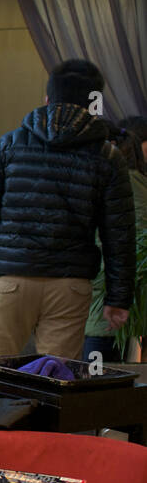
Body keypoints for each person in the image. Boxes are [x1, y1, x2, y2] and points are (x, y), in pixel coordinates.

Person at [0, 59, 136, 360]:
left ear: (47, 99)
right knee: (55, 380)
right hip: (70, 286)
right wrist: (118, 298)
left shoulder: (9, 145)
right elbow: (120, 235)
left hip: (12, 279)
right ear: (94, 103)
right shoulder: (108, 157)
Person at [84, 125, 147, 363]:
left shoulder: (124, 182)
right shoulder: (137, 182)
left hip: (105, 294)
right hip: (122, 297)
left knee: (98, 373)